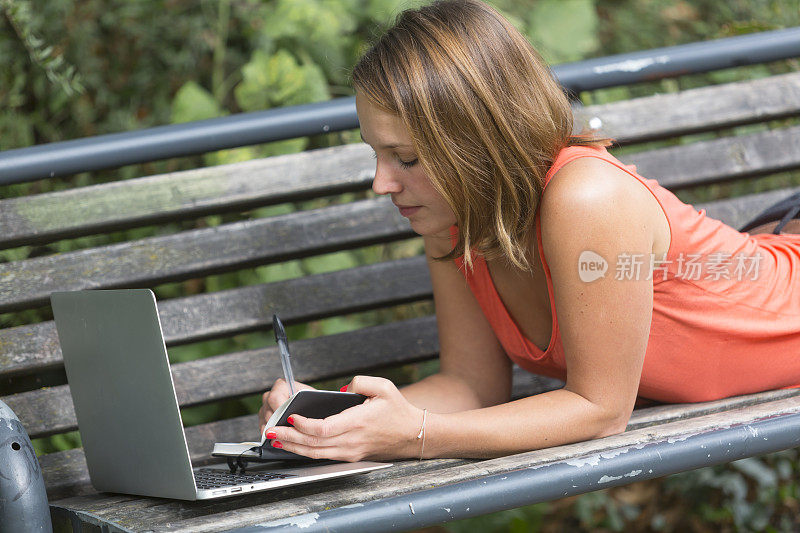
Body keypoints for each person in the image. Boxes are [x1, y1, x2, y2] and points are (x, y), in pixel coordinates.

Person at [258, 0, 800, 462]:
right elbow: (471, 385)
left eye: (407, 158)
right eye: (376, 154)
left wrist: (414, 435)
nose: (382, 183)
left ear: (478, 144)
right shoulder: (454, 219)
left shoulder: (586, 198)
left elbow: (601, 410)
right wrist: (336, 418)